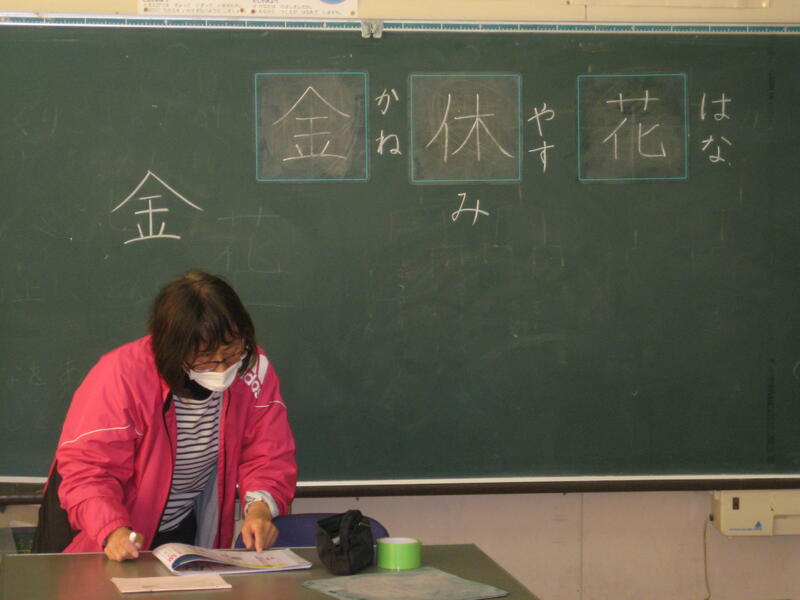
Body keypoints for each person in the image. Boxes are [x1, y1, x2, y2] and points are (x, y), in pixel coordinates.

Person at [32, 270, 297, 561]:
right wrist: (113, 530)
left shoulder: (253, 367)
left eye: (232, 350)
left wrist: (259, 510)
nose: (222, 368)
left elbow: (268, 454)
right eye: (205, 357)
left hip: (179, 529)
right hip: (101, 534)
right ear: (173, 347)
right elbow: (89, 471)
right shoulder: (121, 376)